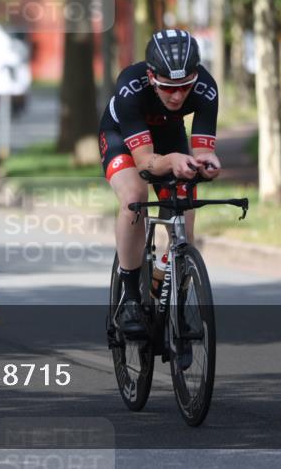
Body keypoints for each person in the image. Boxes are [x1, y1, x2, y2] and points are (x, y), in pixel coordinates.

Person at [98, 29, 221, 339]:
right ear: (152, 77)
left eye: (184, 87)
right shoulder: (130, 85)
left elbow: (204, 150)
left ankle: (173, 300)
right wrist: (173, 161)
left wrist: (208, 163)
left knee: (185, 218)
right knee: (134, 197)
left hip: (169, 136)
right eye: (168, 88)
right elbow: (145, 162)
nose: (177, 96)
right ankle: (129, 298)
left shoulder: (207, 89)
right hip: (123, 139)